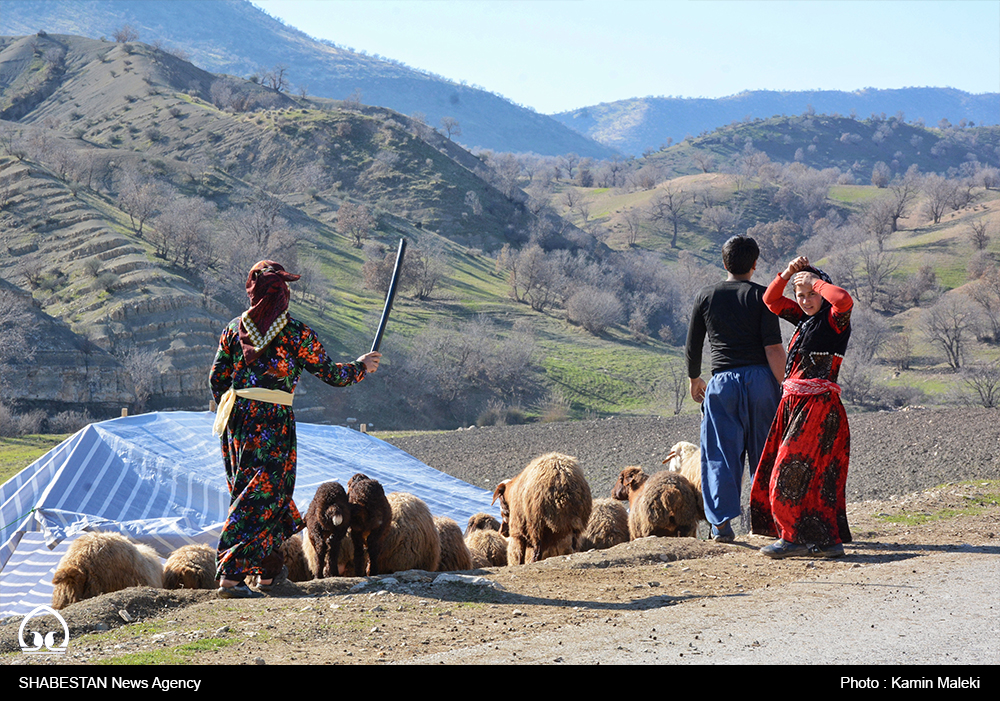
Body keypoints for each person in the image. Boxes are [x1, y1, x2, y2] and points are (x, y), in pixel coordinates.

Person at [209, 260, 381, 598]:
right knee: (256, 497)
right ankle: (229, 576)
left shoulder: (233, 329)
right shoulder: (296, 333)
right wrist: (361, 367)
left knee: (266, 497)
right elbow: (332, 373)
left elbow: (216, 379)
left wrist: (239, 406)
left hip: (237, 423)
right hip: (273, 424)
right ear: (282, 295)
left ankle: (270, 575)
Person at [749, 255, 853, 559]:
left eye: (812, 295)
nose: (806, 300)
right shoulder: (805, 318)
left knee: (788, 471)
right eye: (802, 295)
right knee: (811, 476)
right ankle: (827, 542)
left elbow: (844, 299)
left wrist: (814, 282)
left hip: (817, 408)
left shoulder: (835, 321)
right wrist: (790, 273)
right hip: (794, 405)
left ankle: (792, 538)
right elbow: (771, 299)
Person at [685, 235, 786, 543]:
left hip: (722, 383)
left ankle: (721, 525)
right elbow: (772, 349)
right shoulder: (763, 297)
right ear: (754, 265)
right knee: (764, 453)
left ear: (724, 262)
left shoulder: (706, 296)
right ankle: (766, 521)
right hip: (760, 382)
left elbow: (693, 345)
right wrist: (785, 386)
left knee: (720, 455)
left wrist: (694, 379)